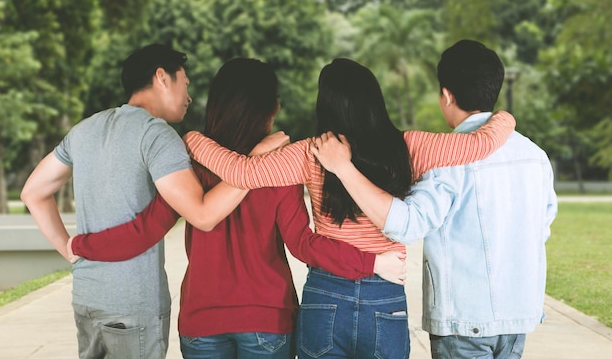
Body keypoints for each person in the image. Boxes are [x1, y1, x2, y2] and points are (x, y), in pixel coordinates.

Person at [67, 57, 408, 359]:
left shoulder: (191, 164)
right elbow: (304, 245)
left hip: (202, 321)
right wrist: (372, 262)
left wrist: (81, 245)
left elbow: (146, 229)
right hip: (268, 322)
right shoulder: (278, 169)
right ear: (268, 109)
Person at [181, 58, 517, 359]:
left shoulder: (309, 153)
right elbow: (481, 144)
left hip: (325, 294)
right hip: (384, 295)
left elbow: (241, 173)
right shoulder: (411, 146)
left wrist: (193, 139)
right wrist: (505, 116)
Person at [20, 44, 270, 359]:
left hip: (86, 295)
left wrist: (69, 249)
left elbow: (33, 192)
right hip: (132, 305)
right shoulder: (157, 135)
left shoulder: (84, 130)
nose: (188, 97)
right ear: (162, 78)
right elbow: (203, 215)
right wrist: (254, 162)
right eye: (185, 84)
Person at [311, 40, 558, 359]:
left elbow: (407, 226)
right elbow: (543, 228)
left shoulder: (447, 160)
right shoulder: (535, 156)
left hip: (463, 318)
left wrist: (345, 170)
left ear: (446, 96)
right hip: (518, 316)